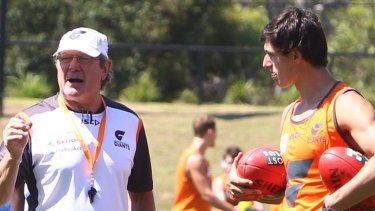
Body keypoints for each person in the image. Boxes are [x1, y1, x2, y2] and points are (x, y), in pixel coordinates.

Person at [225, 7, 375, 210]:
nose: (265, 63)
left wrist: (333, 203)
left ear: (295, 56)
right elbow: (296, 190)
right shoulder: (289, 112)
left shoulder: (344, 105)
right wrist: (250, 189)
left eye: (271, 55)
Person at [0, 27, 155, 211]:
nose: (73, 66)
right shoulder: (29, 123)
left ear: (105, 68)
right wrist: (12, 157)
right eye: (65, 58)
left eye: (83, 58)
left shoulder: (130, 122)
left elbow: (142, 196)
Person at [172, 114, 236, 211]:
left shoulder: (195, 157)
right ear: (210, 132)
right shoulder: (195, 159)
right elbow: (206, 194)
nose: (216, 137)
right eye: (215, 133)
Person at [212, 145, 264, 211]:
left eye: (231, 163)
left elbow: (259, 206)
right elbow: (220, 204)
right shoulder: (220, 182)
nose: (229, 166)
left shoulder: (247, 182)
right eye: (227, 163)